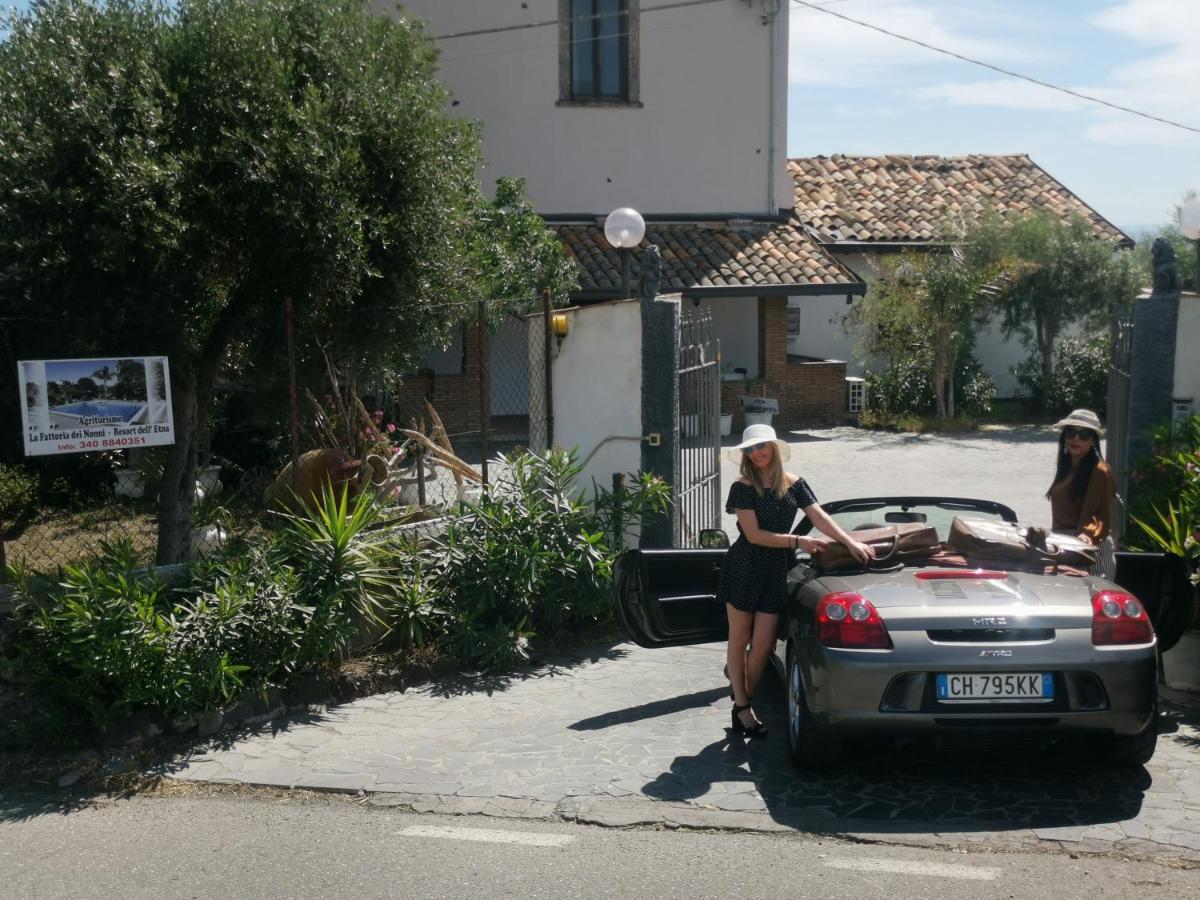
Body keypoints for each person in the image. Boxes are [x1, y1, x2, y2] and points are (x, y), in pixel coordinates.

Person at [718, 423, 875, 738]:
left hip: (777, 570)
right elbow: (754, 535)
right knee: (739, 639)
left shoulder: (795, 484)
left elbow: (819, 517)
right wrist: (797, 542)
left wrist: (849, 542)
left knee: (762, 645)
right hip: (745, 566)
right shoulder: (743, 486)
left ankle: (741, 696)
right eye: (750, 449)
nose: (756, 453)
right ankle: (743, 708)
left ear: (774, 448)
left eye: (761, 447)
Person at [1047, 409, 1116, 544]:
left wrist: (1087, 533)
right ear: (1064, 438)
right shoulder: (1067, 467)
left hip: (1090, 548)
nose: (1076, 438)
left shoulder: (1100, 471)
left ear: (1093, 441)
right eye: (1071, 432)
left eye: (1084, 434)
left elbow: (1101, 513)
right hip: (1064, 542)